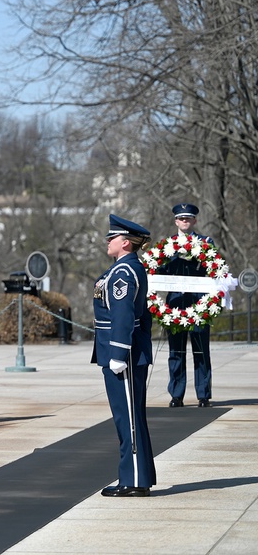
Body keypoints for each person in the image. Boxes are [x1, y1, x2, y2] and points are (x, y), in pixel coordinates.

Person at [94, 214, 156, 498]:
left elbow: (124, 315)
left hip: (123, 356)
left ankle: (132, 480)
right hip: (123, 352)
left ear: (126, 243)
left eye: (113, 237)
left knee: (128, 418)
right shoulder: (124, 268)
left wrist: (118, 353)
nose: (108, 241)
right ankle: (137, 476)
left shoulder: (123, 272)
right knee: (127, 417)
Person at [161, 203, 215, 408]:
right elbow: (161, 273)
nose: (184, 221)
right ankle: (176, 394)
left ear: (195, 220)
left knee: (201, 351)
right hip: (175, 304)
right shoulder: (166, 246)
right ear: (176, 221)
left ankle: (203, 394)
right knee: (176, 351)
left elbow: (214, 270)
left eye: (188, 218)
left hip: (198, 303)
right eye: (181, 218)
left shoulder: (206, 243)